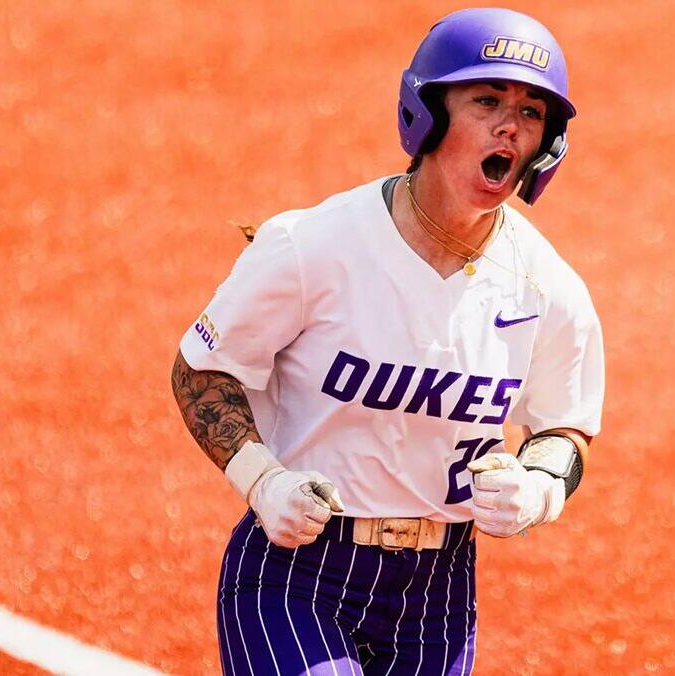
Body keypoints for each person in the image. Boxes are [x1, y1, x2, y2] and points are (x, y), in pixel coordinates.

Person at [170, 8, 604, 675]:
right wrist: (264, 483)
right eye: (486, 100)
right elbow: (203, 370)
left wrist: (539, 484)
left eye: (532, 113)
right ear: (425, 113)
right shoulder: (313, 247)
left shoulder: (547, 290)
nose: (510, 126)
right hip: (297, 574)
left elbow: (563, 425)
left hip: (439, 596)